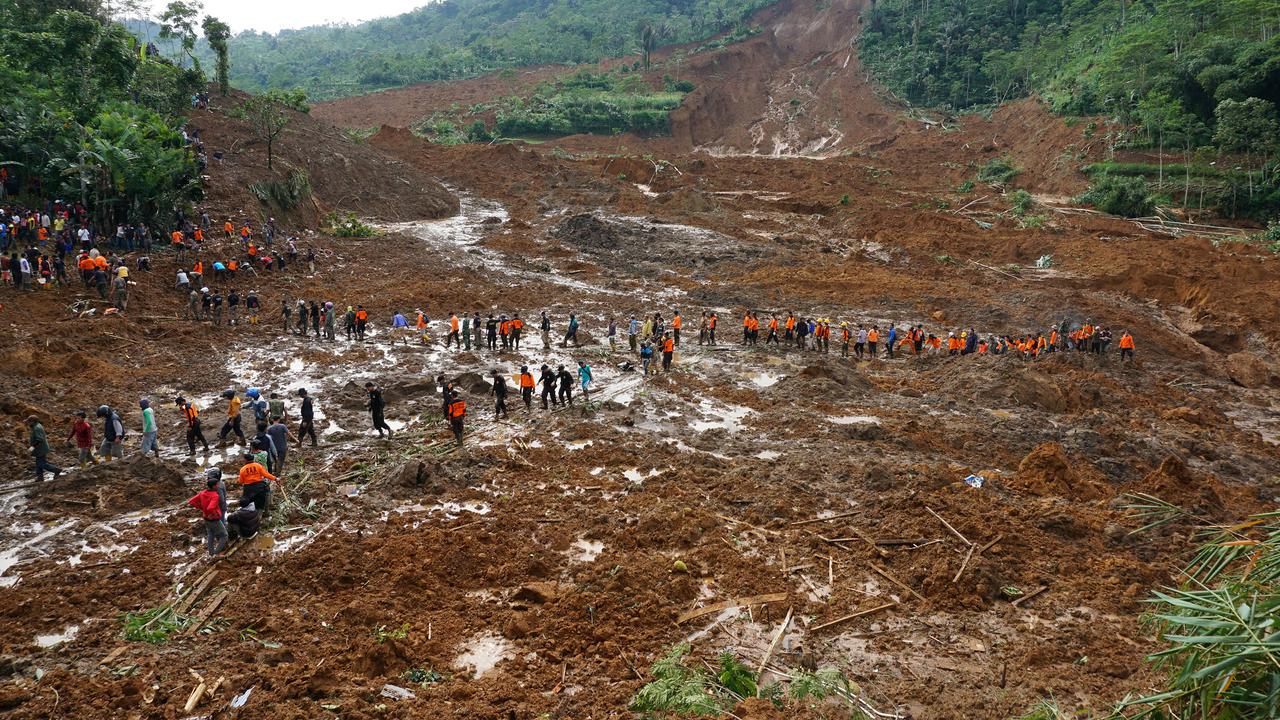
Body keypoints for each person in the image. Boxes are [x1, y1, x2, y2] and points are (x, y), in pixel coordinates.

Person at [188, 477, 227, 556]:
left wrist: (202, 508)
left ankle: (211, 553)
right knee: (224, 535)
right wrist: (211, 513)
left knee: (211, 534)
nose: (218, 485)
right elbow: (210, 507)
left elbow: (191, 501)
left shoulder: (202, 493)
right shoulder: (215, 496)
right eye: (217, 484)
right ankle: (216, 552)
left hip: (205, 518)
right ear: (214, 486)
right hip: (214, 519)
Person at [237, 452, 275, 517]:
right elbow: (266, 474)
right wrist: (275, 478)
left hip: (248, 489)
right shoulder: (258, 466)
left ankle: (250, 516)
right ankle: (266, 512)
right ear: (253, 459)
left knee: (248, 503)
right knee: (262, 501)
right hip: (259, 487)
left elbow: (241, 481)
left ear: (245, 460)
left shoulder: (243, 469)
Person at [29, 416, 61, 482]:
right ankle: (40, 477)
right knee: (38, 463)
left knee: (41, 463)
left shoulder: (37, 428)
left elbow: (40, 439)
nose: (28, 423)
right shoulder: (36, 426)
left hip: (40, 449)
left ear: (32, 421)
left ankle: (56, 470)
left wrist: (33, 447)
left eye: (29, 421)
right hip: (40, 448)